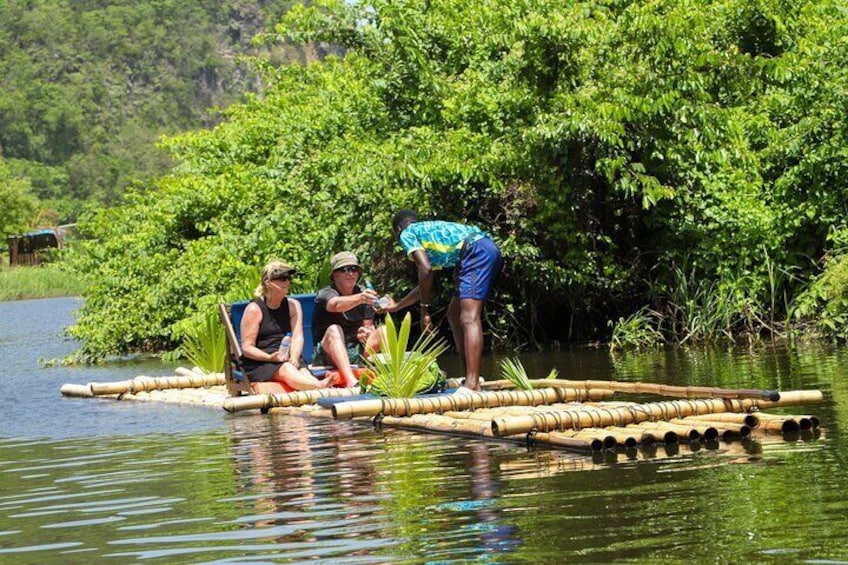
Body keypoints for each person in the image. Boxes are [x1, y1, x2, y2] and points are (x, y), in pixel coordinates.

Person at [388, 210, 502, 392]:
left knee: (468, 318)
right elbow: (424, 283)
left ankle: (472, 384)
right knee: (454, 314)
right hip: (483, 248)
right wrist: (397, 306)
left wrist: (425, 312)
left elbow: (425, 270)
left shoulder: (407, 233)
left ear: (398, 229)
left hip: (475, 250)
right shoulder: (426, 233)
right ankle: (471, 379)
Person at [240, 260, 331, 391]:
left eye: (288, 278)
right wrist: (270, 357)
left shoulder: (293, 305)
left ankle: (318, 386)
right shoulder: (254, 309)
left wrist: (294, 357)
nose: (287, 282)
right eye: (282, 278)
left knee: (302, 371)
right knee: (288, 368)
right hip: (261, 360)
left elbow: (298, 336)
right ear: (268, 282)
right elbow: (247, 348)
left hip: (287, 354)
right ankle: (320, 386)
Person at [312, 251, 387, 388]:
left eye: (354, 269)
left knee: (384, 330)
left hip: (356, 351)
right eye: (345, 270)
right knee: (334, 329)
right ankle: (351, 381)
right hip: (327, 353)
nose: (351, 273)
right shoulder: (326, 293)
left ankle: (392, 375)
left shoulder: (364, 293)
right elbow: (335, 305)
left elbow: (368, 326)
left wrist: (366, 333)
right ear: (335, 275)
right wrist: (361, 298)